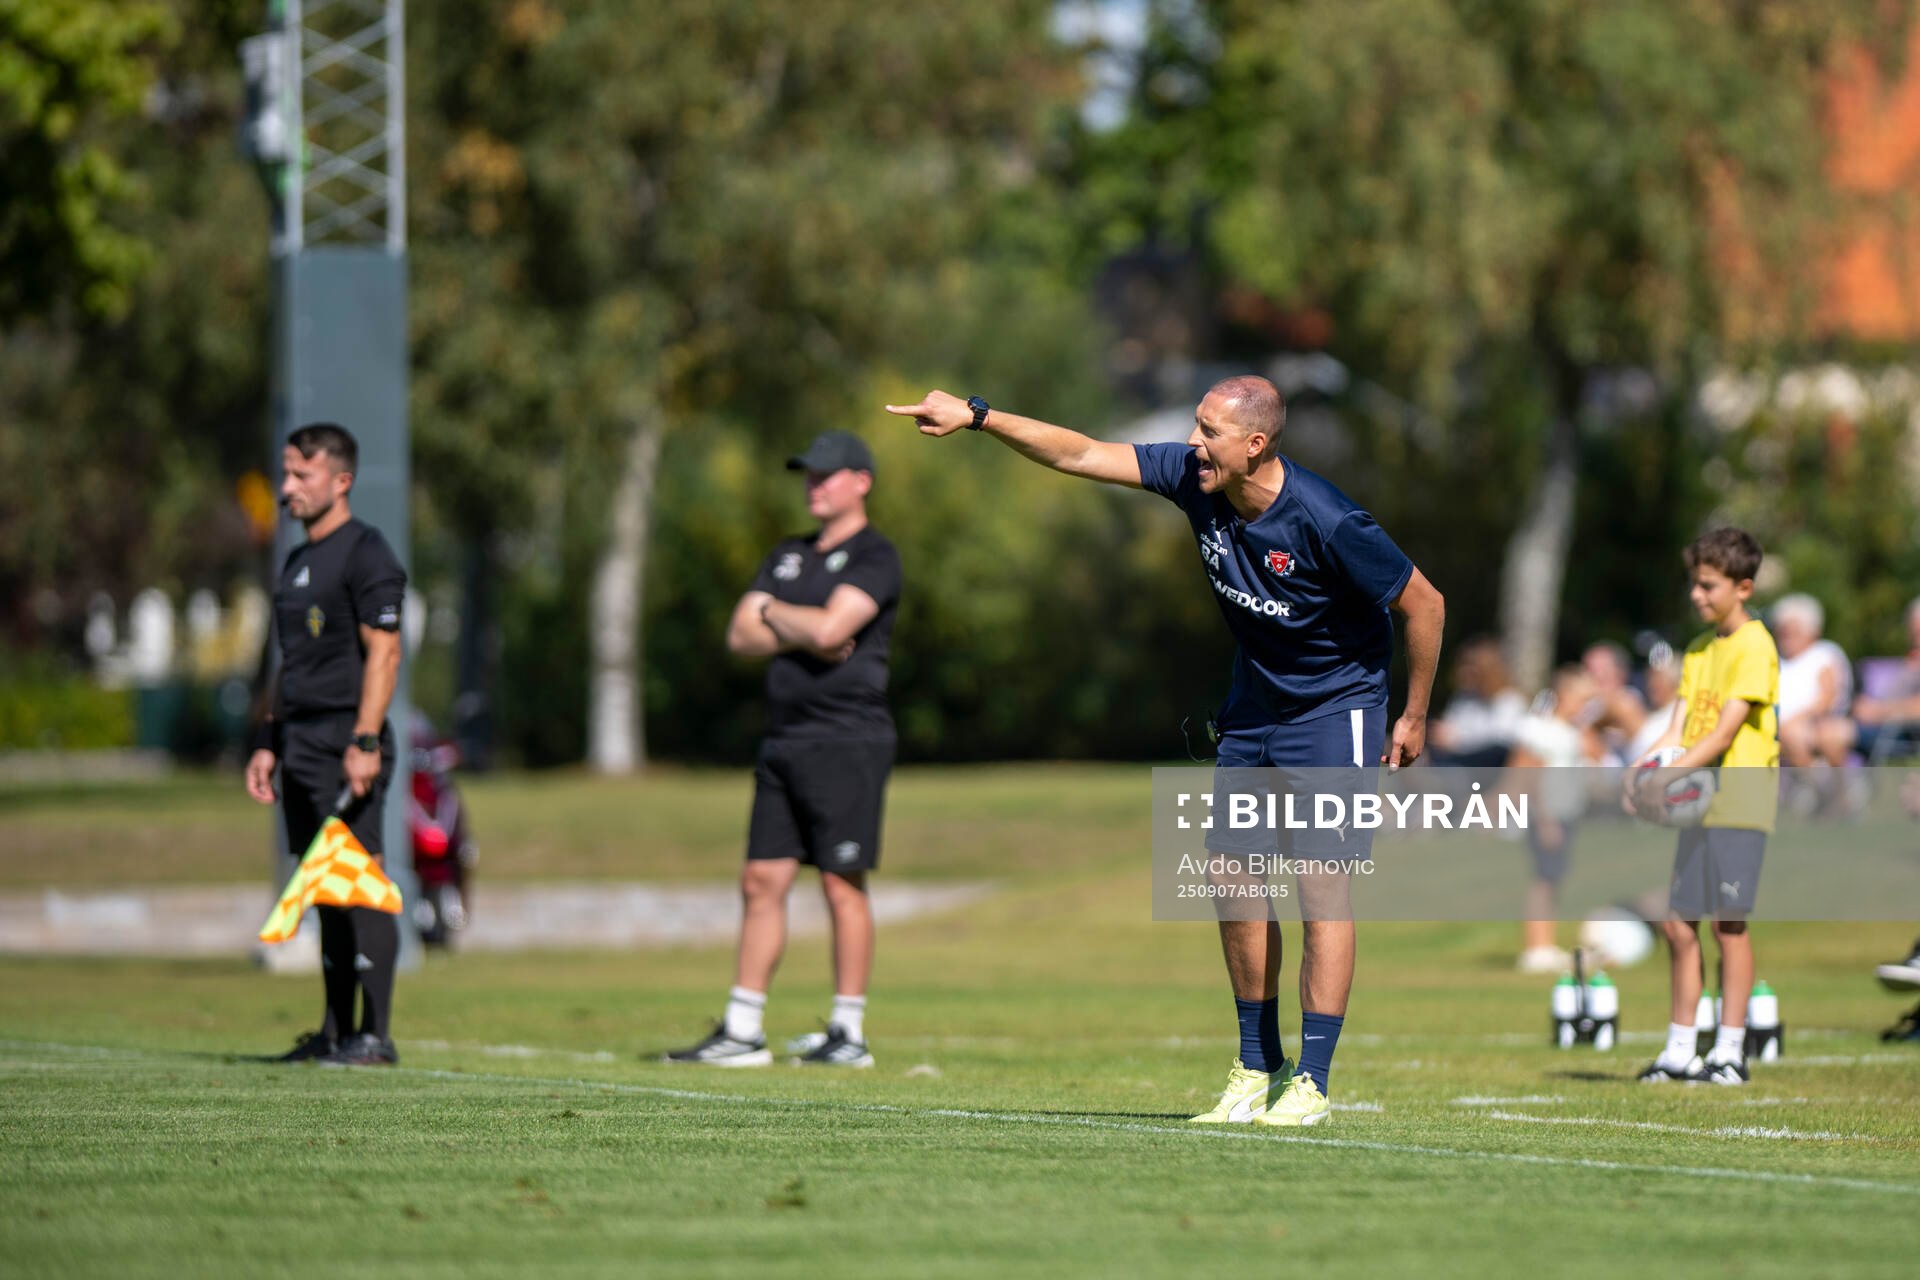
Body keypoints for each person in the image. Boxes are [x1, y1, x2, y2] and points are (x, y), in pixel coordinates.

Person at [885, 378, 1444, 1127]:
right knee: (1233, 874)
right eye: (1194, 425)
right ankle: (1256, 1065)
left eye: (1209, 430)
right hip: (1254, 708)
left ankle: (1310, 1081)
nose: (1191, 443)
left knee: (1320, 884)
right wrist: (980, 417)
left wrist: (1412, 715)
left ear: (1257, 445)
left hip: (1336, 709)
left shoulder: (1329, 520)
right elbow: (1082, 453)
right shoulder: (1197, 479)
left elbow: (1425, 603)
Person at [664, 430, 902, 1069]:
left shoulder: (876, 555)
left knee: (840, 883)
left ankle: (847, 1033)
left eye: (827, 475)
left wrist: (778, 614)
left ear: (862, 482)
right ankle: (742, 1031)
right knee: (761, 878)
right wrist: (794, 619)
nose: (814, 485)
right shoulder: (787, 555)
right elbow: (740, 636)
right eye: (808, 474)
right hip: (784, 739)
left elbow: (833, 628)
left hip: (847, 738)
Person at [244, 423, 407, 1066]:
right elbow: (290, 665)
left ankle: (377, 1035)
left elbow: (385, 653)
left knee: (359, 882)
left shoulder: (367, 553)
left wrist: (365, 738)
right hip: (302, 742)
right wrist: (268, 741)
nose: (286, 488)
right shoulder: (294, 562)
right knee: (325, 887)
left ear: (341, 481)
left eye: (300, 475)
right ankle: (336, 1032)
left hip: (347, 737)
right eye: (285, 474)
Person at [1627, 527, 1779, 1086]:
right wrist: (1638, 771)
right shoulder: (1697, 649)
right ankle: (1680, 1050)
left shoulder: (1755, 646)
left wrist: (1665, 777)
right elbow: (1678, 729)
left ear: (1743, 587)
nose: (1697, 595)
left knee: (1728, 927)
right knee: (1677, 923)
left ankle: (1730, 1051)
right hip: (1700, 804)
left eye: (1708, 586)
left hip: (1740, 800)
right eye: (1694, 584)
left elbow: (1721, 735)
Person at [1507, 664, 1603, 973]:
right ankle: (1536, 948)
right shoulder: (1542, 730)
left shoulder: (1572, 733)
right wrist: (1546, 820)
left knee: (1554, 878)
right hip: (1545, 816)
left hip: (1565, 814)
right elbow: (1531, 776)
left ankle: (1546, 943)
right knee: (1543, 879)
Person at [1427, 636, 1528, 767]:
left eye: (1471, 669)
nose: (1463, 673)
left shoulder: (1510, 702)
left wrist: (1457, 741)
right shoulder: (1463, 698)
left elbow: (1502, 742)